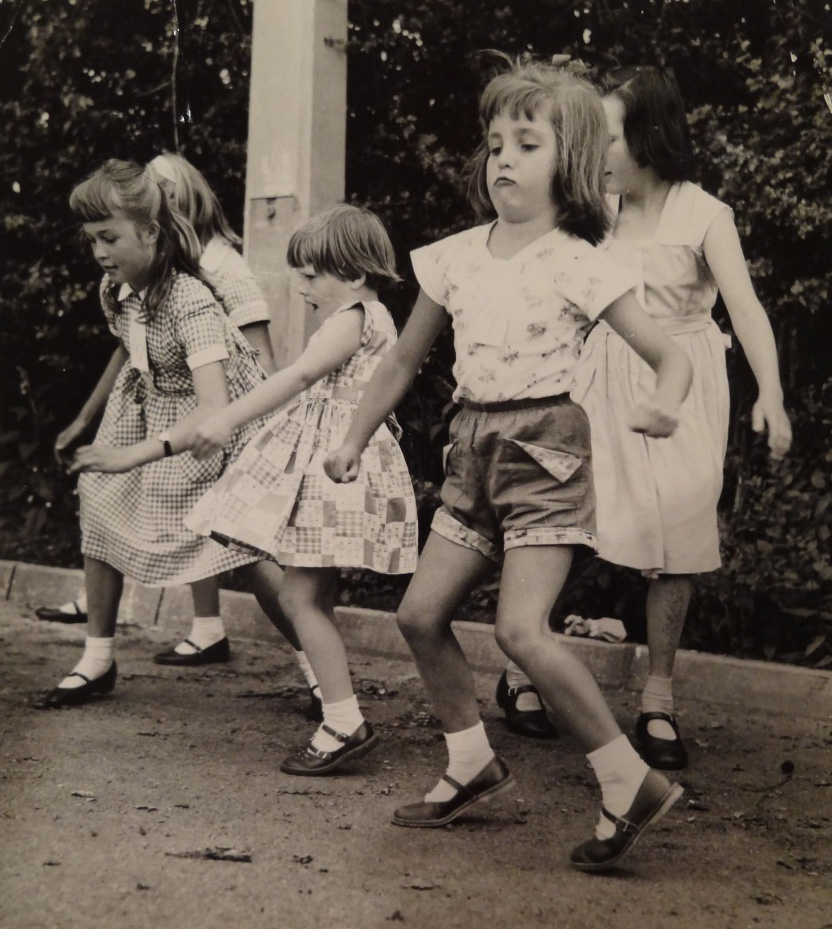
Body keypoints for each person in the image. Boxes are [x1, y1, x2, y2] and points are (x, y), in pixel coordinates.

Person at [325, 58, 692, 871]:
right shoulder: (453, 256)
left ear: (568, 163)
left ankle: (625, 778)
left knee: (520, 628)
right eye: (494, 143)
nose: (502, 159)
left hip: (546, 454)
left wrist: (667, 397)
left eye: (526, 144)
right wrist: (352, 436)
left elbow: (670, 355)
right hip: (472, 448)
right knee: (420, 616)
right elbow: (398, 363)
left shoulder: (576, 258)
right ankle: (470, 760)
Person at [567, 66, 791, 768]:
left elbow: (746, 309)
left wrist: (771, 394)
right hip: (601, 373)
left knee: (679, 534)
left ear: (651, 136)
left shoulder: (703, 213)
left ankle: (658, 699)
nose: (599, 151)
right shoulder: (588, 209)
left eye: (610, 136)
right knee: (568, 516)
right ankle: (524, 671)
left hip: (685, 379)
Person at [33, 159, 294, 710]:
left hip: (218, 434)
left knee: (247, 551)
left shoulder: (193, 299)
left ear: (150, 232)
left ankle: (321, 672)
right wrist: (87, 421)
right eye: (92, 240)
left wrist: (131, 456)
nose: (100, 252)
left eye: (109, 238)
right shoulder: (119, 289)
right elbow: (132, 348)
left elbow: (215, 406)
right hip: (150, 409)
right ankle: (97, 658)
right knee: (99, 509)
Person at [184, 204, 418, 776]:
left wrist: (226, 419)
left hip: (334, 466)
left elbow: (297, 377)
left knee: (298, 597)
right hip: (339, 463)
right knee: (309, 593)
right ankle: (332, 699)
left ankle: (343, 719)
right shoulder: (376, 317)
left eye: (313, 274)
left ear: (356, 274)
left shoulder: (351, 319)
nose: (302, 285)